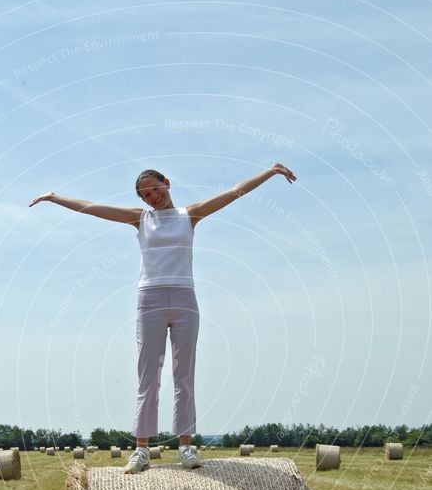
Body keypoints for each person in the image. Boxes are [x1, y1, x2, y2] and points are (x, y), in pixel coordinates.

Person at [29, 162, 296, 473]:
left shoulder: (190, 214)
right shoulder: (139, 219)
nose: (152, 197)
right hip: (150, 299)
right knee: (148, 376)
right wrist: (55, 197)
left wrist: (271, 171)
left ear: (167, 183)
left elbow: (234, 192)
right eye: (145, 195)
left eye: (155, 189)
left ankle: (185, 447)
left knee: (184, 375)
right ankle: (141, 450)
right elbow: (92, 208)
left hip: (184, 298)